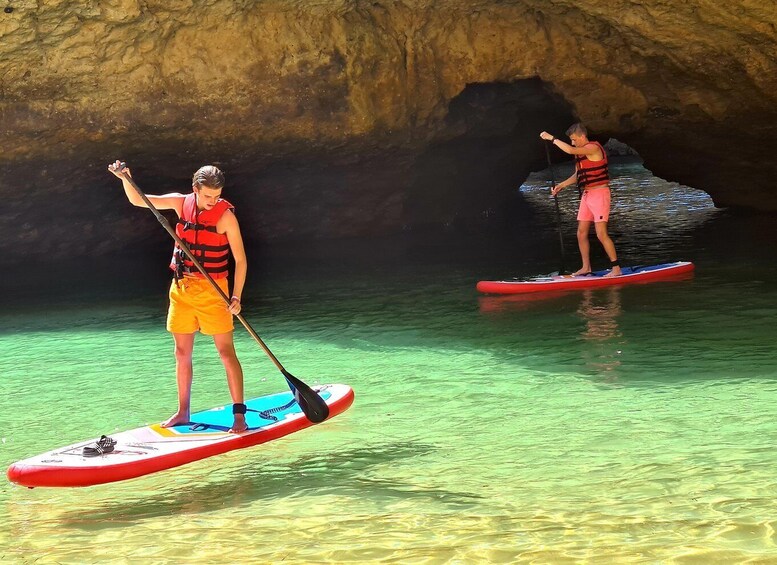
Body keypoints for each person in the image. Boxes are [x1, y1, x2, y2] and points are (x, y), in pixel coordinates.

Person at [107, 161, 249, 433]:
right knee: (181, 352)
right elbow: (139, 200)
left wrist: (237, 296)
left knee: (225, 352)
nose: (212, 201)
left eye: (217, 196)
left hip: (214, 291)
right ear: (195, 189)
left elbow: (240, 261)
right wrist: (126, 177)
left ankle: (239, 415)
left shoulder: (226, 217)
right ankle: (183, 411)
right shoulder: (179, 202)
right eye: (208, 196)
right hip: (181, 289)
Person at [540, 123, 621, 277]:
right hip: (587, 195)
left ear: (582, 136)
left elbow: (570, 150)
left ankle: (616, 268)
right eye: (571, 140)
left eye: (574, 139)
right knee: (581, 232)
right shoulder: (580, 153)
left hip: (600, 194)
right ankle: (586, 267)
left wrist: (552, 139)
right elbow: (579, 175)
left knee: (601, 234)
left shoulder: (593, 148)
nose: (573, 143)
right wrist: (561, 186)